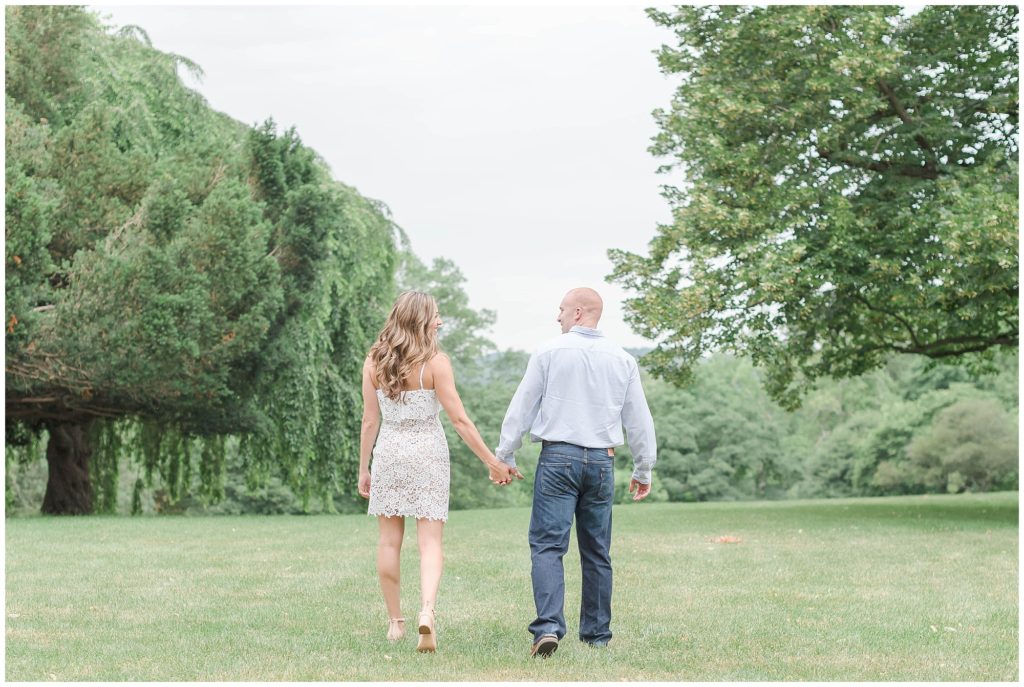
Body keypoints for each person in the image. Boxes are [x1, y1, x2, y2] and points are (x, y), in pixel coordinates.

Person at [495, 287, 657, 658]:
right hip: (601, 462)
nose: (558, 316)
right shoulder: (623, 359)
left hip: (558, 460)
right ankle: (597, 635)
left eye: (563, 309)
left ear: (580, 312)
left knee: (549, 546)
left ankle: (548, 627)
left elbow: (522, 406)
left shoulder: (549, 351)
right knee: (597, 551)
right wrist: (643, 468)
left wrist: (506, 453)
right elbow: (639, 420)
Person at [358, 291, 512, 653]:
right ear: (420, 319)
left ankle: (395, 622)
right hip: (428, 453)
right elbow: (460, 419)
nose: (440, 321)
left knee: (388, 542)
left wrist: (363, 468)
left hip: (390, 453)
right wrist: (491, 461)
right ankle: (427, 610)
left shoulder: (373, 361)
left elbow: (369, 420)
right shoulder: (435, 362)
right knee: (430, 542)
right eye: (436, 316)